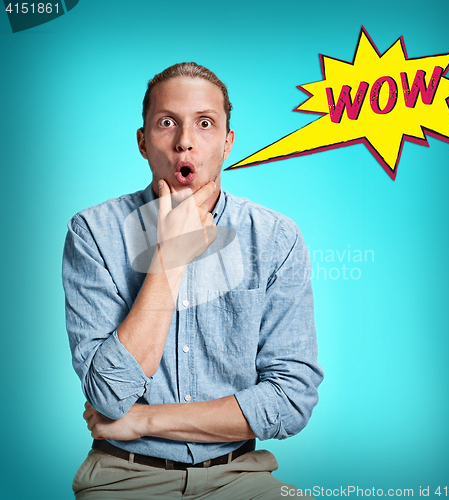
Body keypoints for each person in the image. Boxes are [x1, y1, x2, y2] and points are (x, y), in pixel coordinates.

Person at [63, 62, 323, 499]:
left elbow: (291, 400)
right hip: (124, 476)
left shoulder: (277, 238)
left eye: (205, 124)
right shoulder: (93, 232)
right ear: (143, 142)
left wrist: (146, 420)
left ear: (227, 143)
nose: (185, 141)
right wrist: (171, 256)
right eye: (168, 123)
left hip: (241, 475)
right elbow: (109, 396)